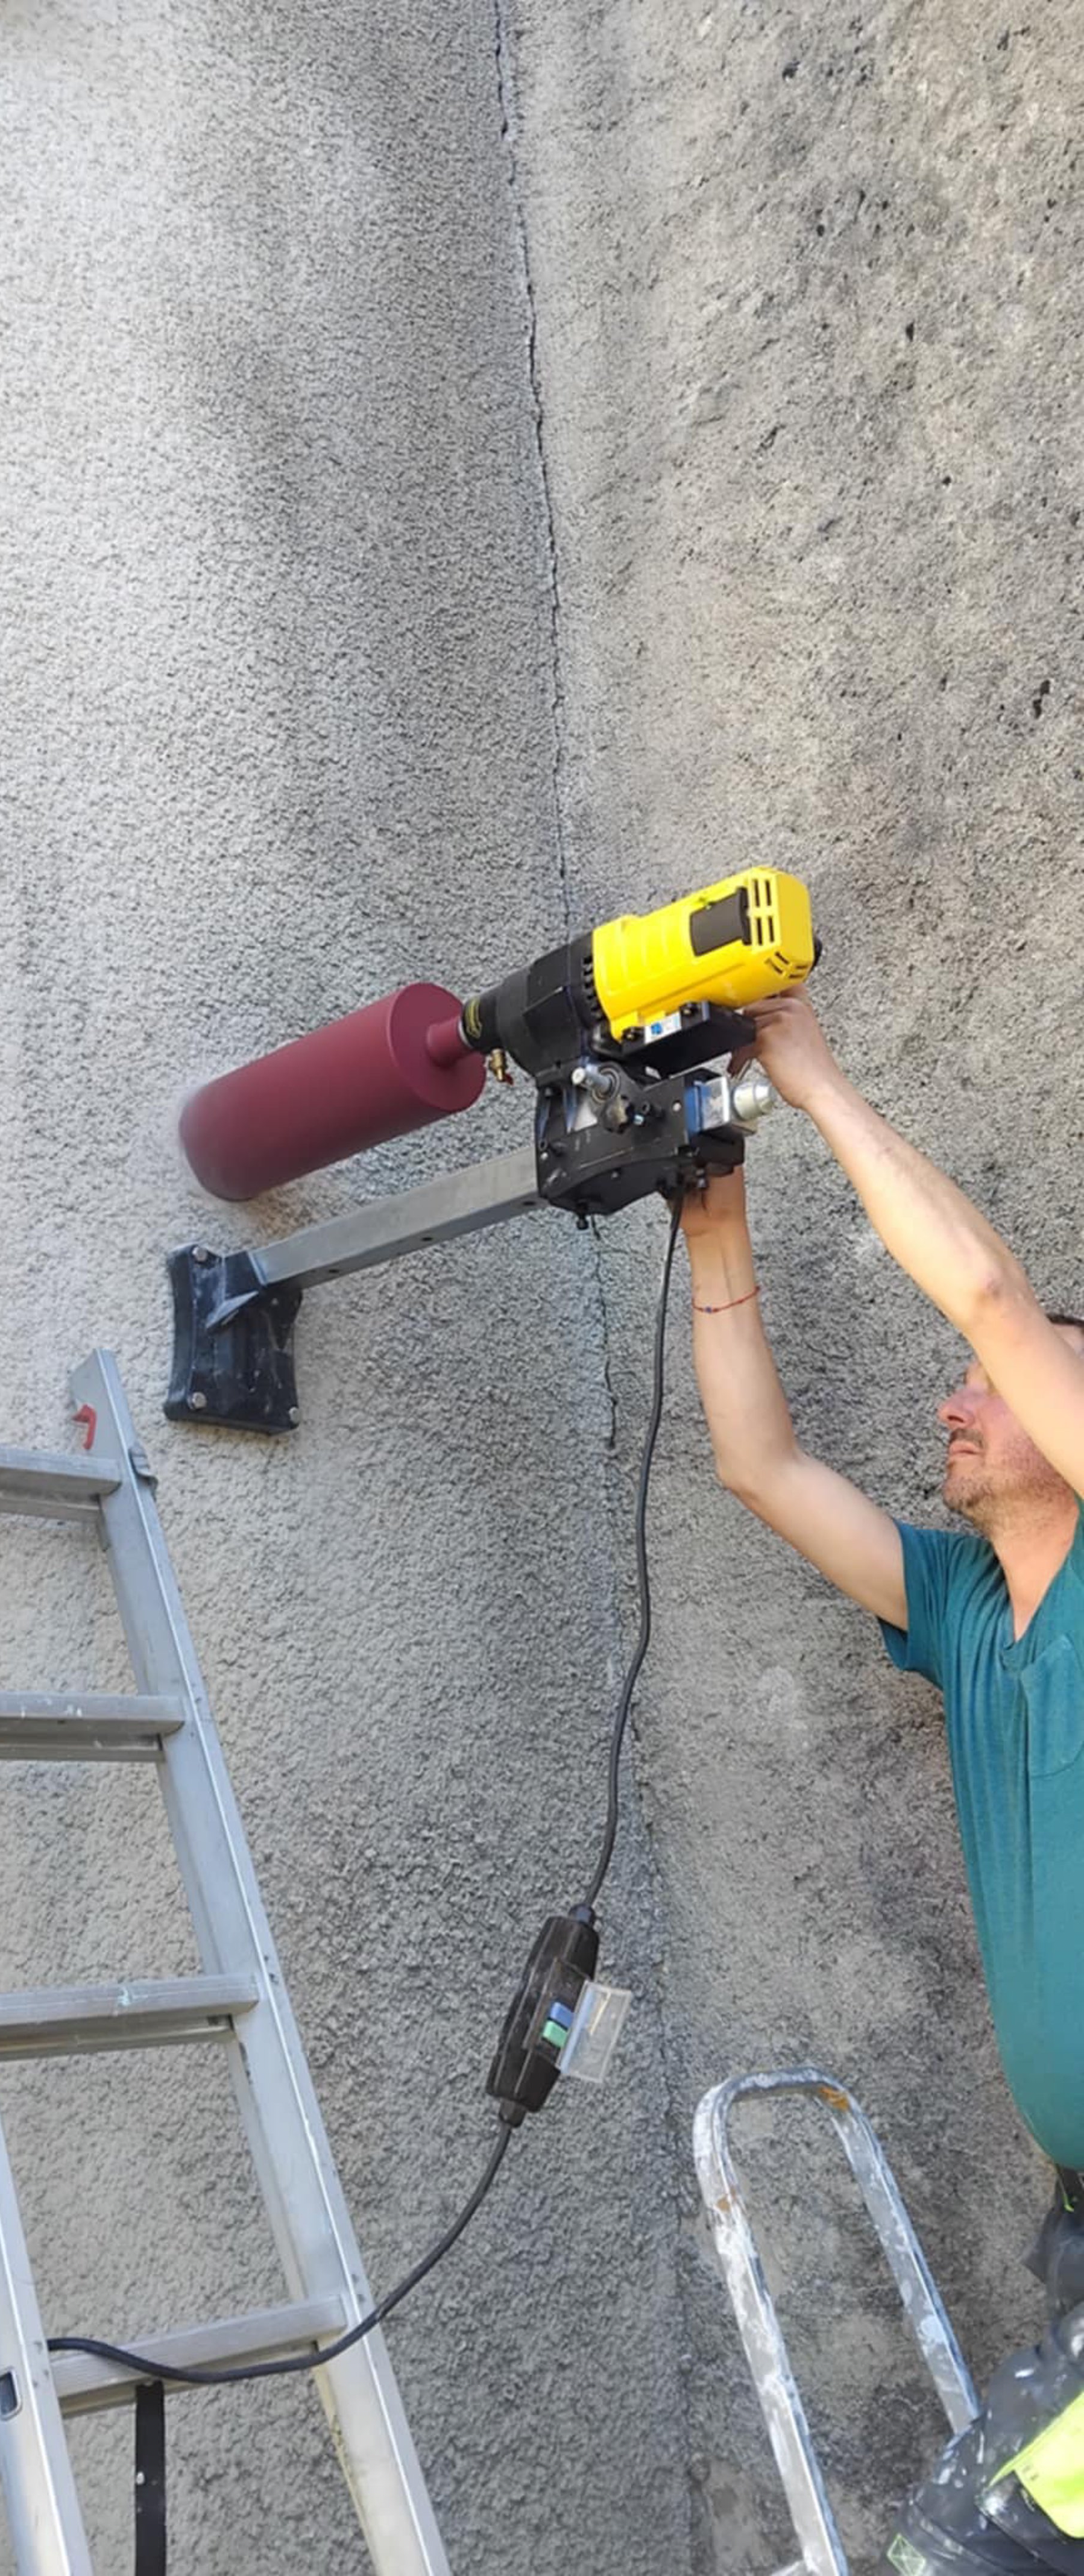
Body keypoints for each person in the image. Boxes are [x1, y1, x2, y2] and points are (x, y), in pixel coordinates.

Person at [682, 990, 1084, 2576]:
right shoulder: (971, 1613)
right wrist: (716, 1215)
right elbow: (760, 1468)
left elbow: (988, 1295)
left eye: (996, 1382)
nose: (954, 1397)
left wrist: (814, 1077)